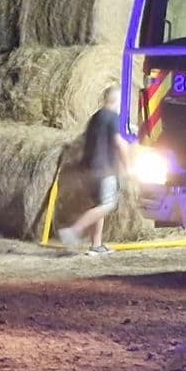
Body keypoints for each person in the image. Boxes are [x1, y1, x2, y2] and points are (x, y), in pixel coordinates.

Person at [58, 90, 129, 255]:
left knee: (99, 205)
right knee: (107, 205)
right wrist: (128, 166)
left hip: (89, 170)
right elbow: (120, 144)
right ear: (117, 101)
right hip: (105, 170)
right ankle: (74, 230)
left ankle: (96, 246)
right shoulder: (113, 117)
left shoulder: (95, 118)